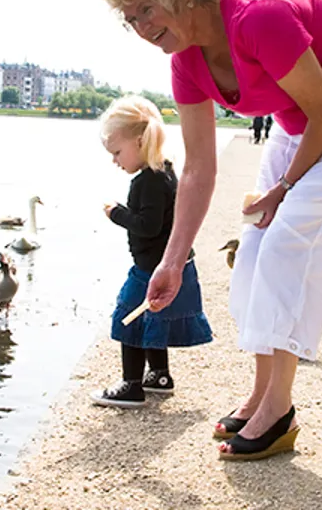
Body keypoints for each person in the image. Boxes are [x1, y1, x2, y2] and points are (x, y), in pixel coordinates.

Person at [99, 0, 322, 460]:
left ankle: (279, 410)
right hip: (302, 116)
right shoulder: (185, 62)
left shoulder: (258, 16)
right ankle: (261, 394)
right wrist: (172, 262)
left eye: (146, 10)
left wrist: (285, 186)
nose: (140, 27)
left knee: (288, 242)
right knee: (254, 243)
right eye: (129, 19)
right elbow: (199, 167)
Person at [91, 95, 213, 408]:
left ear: (140, 141)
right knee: (152, 316)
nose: (115, 161)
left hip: (151, 268)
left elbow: (148, 225)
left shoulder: (147, 181)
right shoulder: (166, 171)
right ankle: (159, 374)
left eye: (117, 152)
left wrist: (116, 213)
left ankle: (131, 385)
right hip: (170, 263)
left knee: (129, 318)